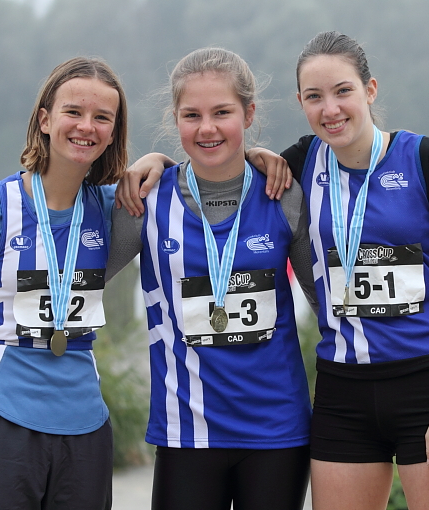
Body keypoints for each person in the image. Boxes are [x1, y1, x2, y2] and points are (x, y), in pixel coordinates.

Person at [123, 32, 429, 510]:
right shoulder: (297, 167)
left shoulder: (423, 159)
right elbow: (230, 164)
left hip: (428, 384)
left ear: (370, 90)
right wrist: (158, 161)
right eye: (314, 97)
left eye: (342, 91)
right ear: (300, 102)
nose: (330, 109)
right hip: (343, 391)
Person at [108, 47, 315, 510]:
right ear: (175, 119)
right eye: (191, 115)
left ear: (249, 113)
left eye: (222, 112)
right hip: (188, 430)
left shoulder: (283, 194)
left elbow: (327, 306)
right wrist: (0, 345)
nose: (207, 128)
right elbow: (77, 279)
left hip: (278, 429)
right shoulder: (147, 199)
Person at [0, 56, 128, 510]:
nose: (86, 126)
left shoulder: (115, 209)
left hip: (85, 426)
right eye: (73, 111)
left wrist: (257, 157)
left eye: (102, 117)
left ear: (113, 132)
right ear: (45, 119)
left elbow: (191, 181)